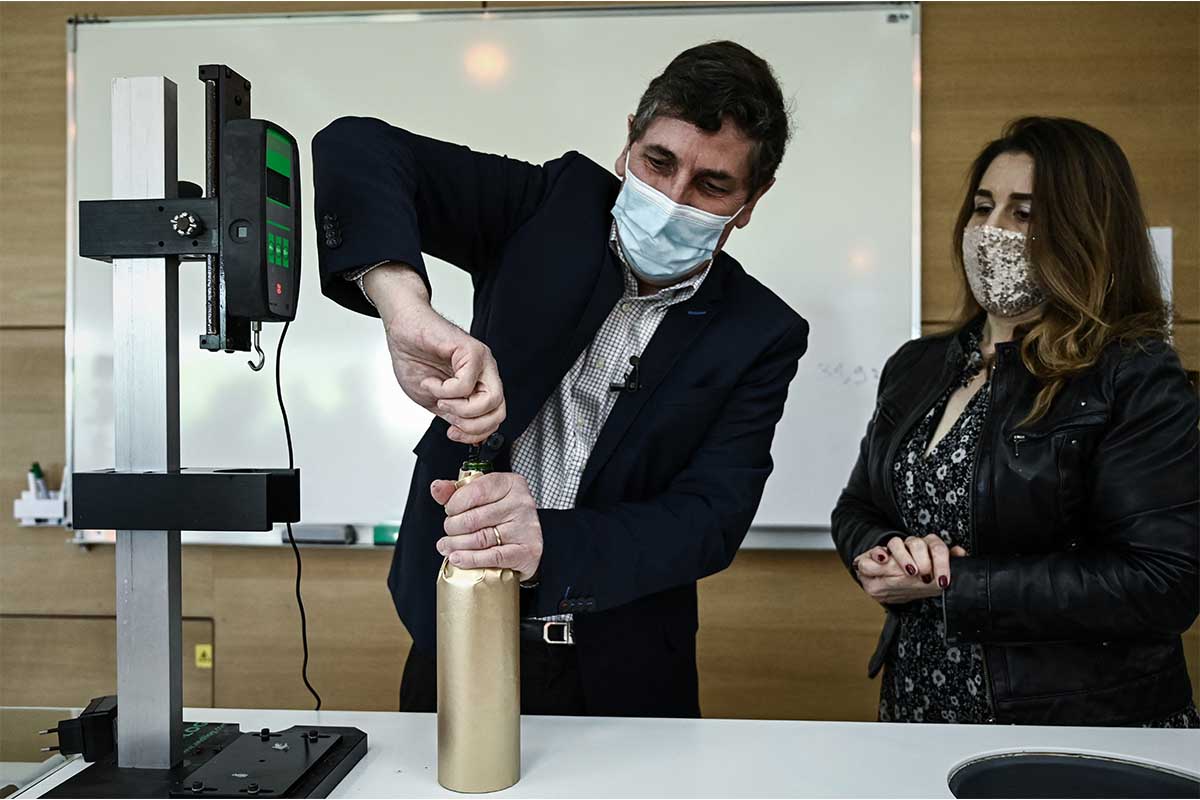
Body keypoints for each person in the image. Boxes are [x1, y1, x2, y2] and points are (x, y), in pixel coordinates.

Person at [312, 41, 807, 717]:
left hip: (626, 669)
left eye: (712, 185)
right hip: (453, 629)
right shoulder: (549, 206)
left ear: (751, 200)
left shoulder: (760, 331)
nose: (672, 199)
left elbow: (709, 519)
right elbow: (355, 147)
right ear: (628, 142)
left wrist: (548, 542)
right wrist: (404, 308)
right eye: (658, 162)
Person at [831, 116, 1199, 727]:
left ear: (1085, 232)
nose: (991, 230)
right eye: (983, 207)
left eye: (1024, 213)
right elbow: (857, 508)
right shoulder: (917, 365)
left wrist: (956, 582)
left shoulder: (1132, 372)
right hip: (919, 709)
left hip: (1076, 723)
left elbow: (1163, 581)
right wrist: (884, 555)